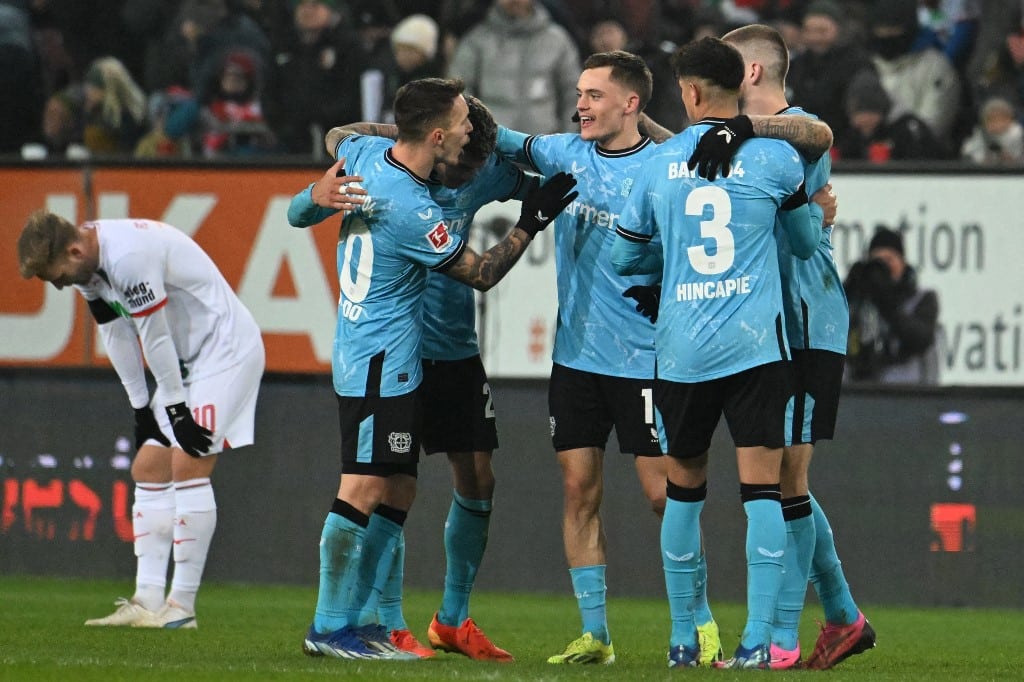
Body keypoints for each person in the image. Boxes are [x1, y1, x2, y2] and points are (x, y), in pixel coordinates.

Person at [287, 76, 577, 661]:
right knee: (365, 485)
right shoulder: (413, 205)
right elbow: (481, 272)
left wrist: (313, 196)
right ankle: (335, 624)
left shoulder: (369, 156)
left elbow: (326, 169)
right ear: (439, 135)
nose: (471, 134)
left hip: (402, 353)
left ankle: (367, 623)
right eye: (462, 124)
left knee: (397, 484)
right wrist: (531, 223)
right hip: (381, 354)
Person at [610, 36, 819, 669]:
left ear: (691, 92)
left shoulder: (658, 164)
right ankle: (759, 642)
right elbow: (806, 244)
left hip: (681, 352)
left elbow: (625, 256)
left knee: (684, 490)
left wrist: (665, 270)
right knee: (763, 493)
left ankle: (683, 638)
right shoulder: (777, 159)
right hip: (756, 347)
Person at [493, 50, 679, 666]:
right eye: (579, 92)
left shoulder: (667, 167)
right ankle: (595, 634)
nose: (580, 104)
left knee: (664, 495)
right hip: (576, 359)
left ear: (631, 104)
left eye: (595, 95)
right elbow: (490, 134)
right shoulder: (564, 154)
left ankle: (693, 624)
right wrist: (384, 131)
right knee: (579, 491)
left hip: (646, 359)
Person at [713, 22, 877, 670]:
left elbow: (806, 236)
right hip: (764, 322)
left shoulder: (799, 129)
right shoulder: (732, 140)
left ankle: (779, 640)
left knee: (786, 476)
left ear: (751, 73)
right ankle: (840, 616)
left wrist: (809, 209)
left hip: (805, 319)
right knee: (782, 478)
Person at [16, 210, 266, 630]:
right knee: (148, 467)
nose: (59, 285)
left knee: (189, 460)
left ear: (74, 250)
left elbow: (155, 334)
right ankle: (147, 600)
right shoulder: (88, 264)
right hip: (188, 361)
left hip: (225, 348)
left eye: (57, 276)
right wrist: (139, 407)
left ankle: (181, 609)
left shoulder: (127, 256)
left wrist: (171, 406)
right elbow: (115, 331)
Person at [448, 0, 581, 134]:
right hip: (493, 146)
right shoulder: (476, 41)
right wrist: (476, 140)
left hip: (544, 145)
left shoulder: (557, 40)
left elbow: (572, 94)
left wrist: (565, 140)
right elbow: (459, 92)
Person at [844, 227, 940, 384]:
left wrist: (886, 302)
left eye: (889, 260)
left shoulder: (922, 299)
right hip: (859, 392)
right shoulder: (862, 301)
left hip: (909, 394)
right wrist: (850, 290)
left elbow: (921, 338)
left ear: (902, 263)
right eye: (878, 262)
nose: (885, 268)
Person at [960, 96, 1024, 165]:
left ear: (1011, 120)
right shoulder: (981, 135)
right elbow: (968, 150)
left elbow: (1018, 152)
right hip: (988, 170)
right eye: (992, 121)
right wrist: (981, 158)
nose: (998, 125)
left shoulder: (1017, 134)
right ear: (984, 123)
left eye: (1002, 120)